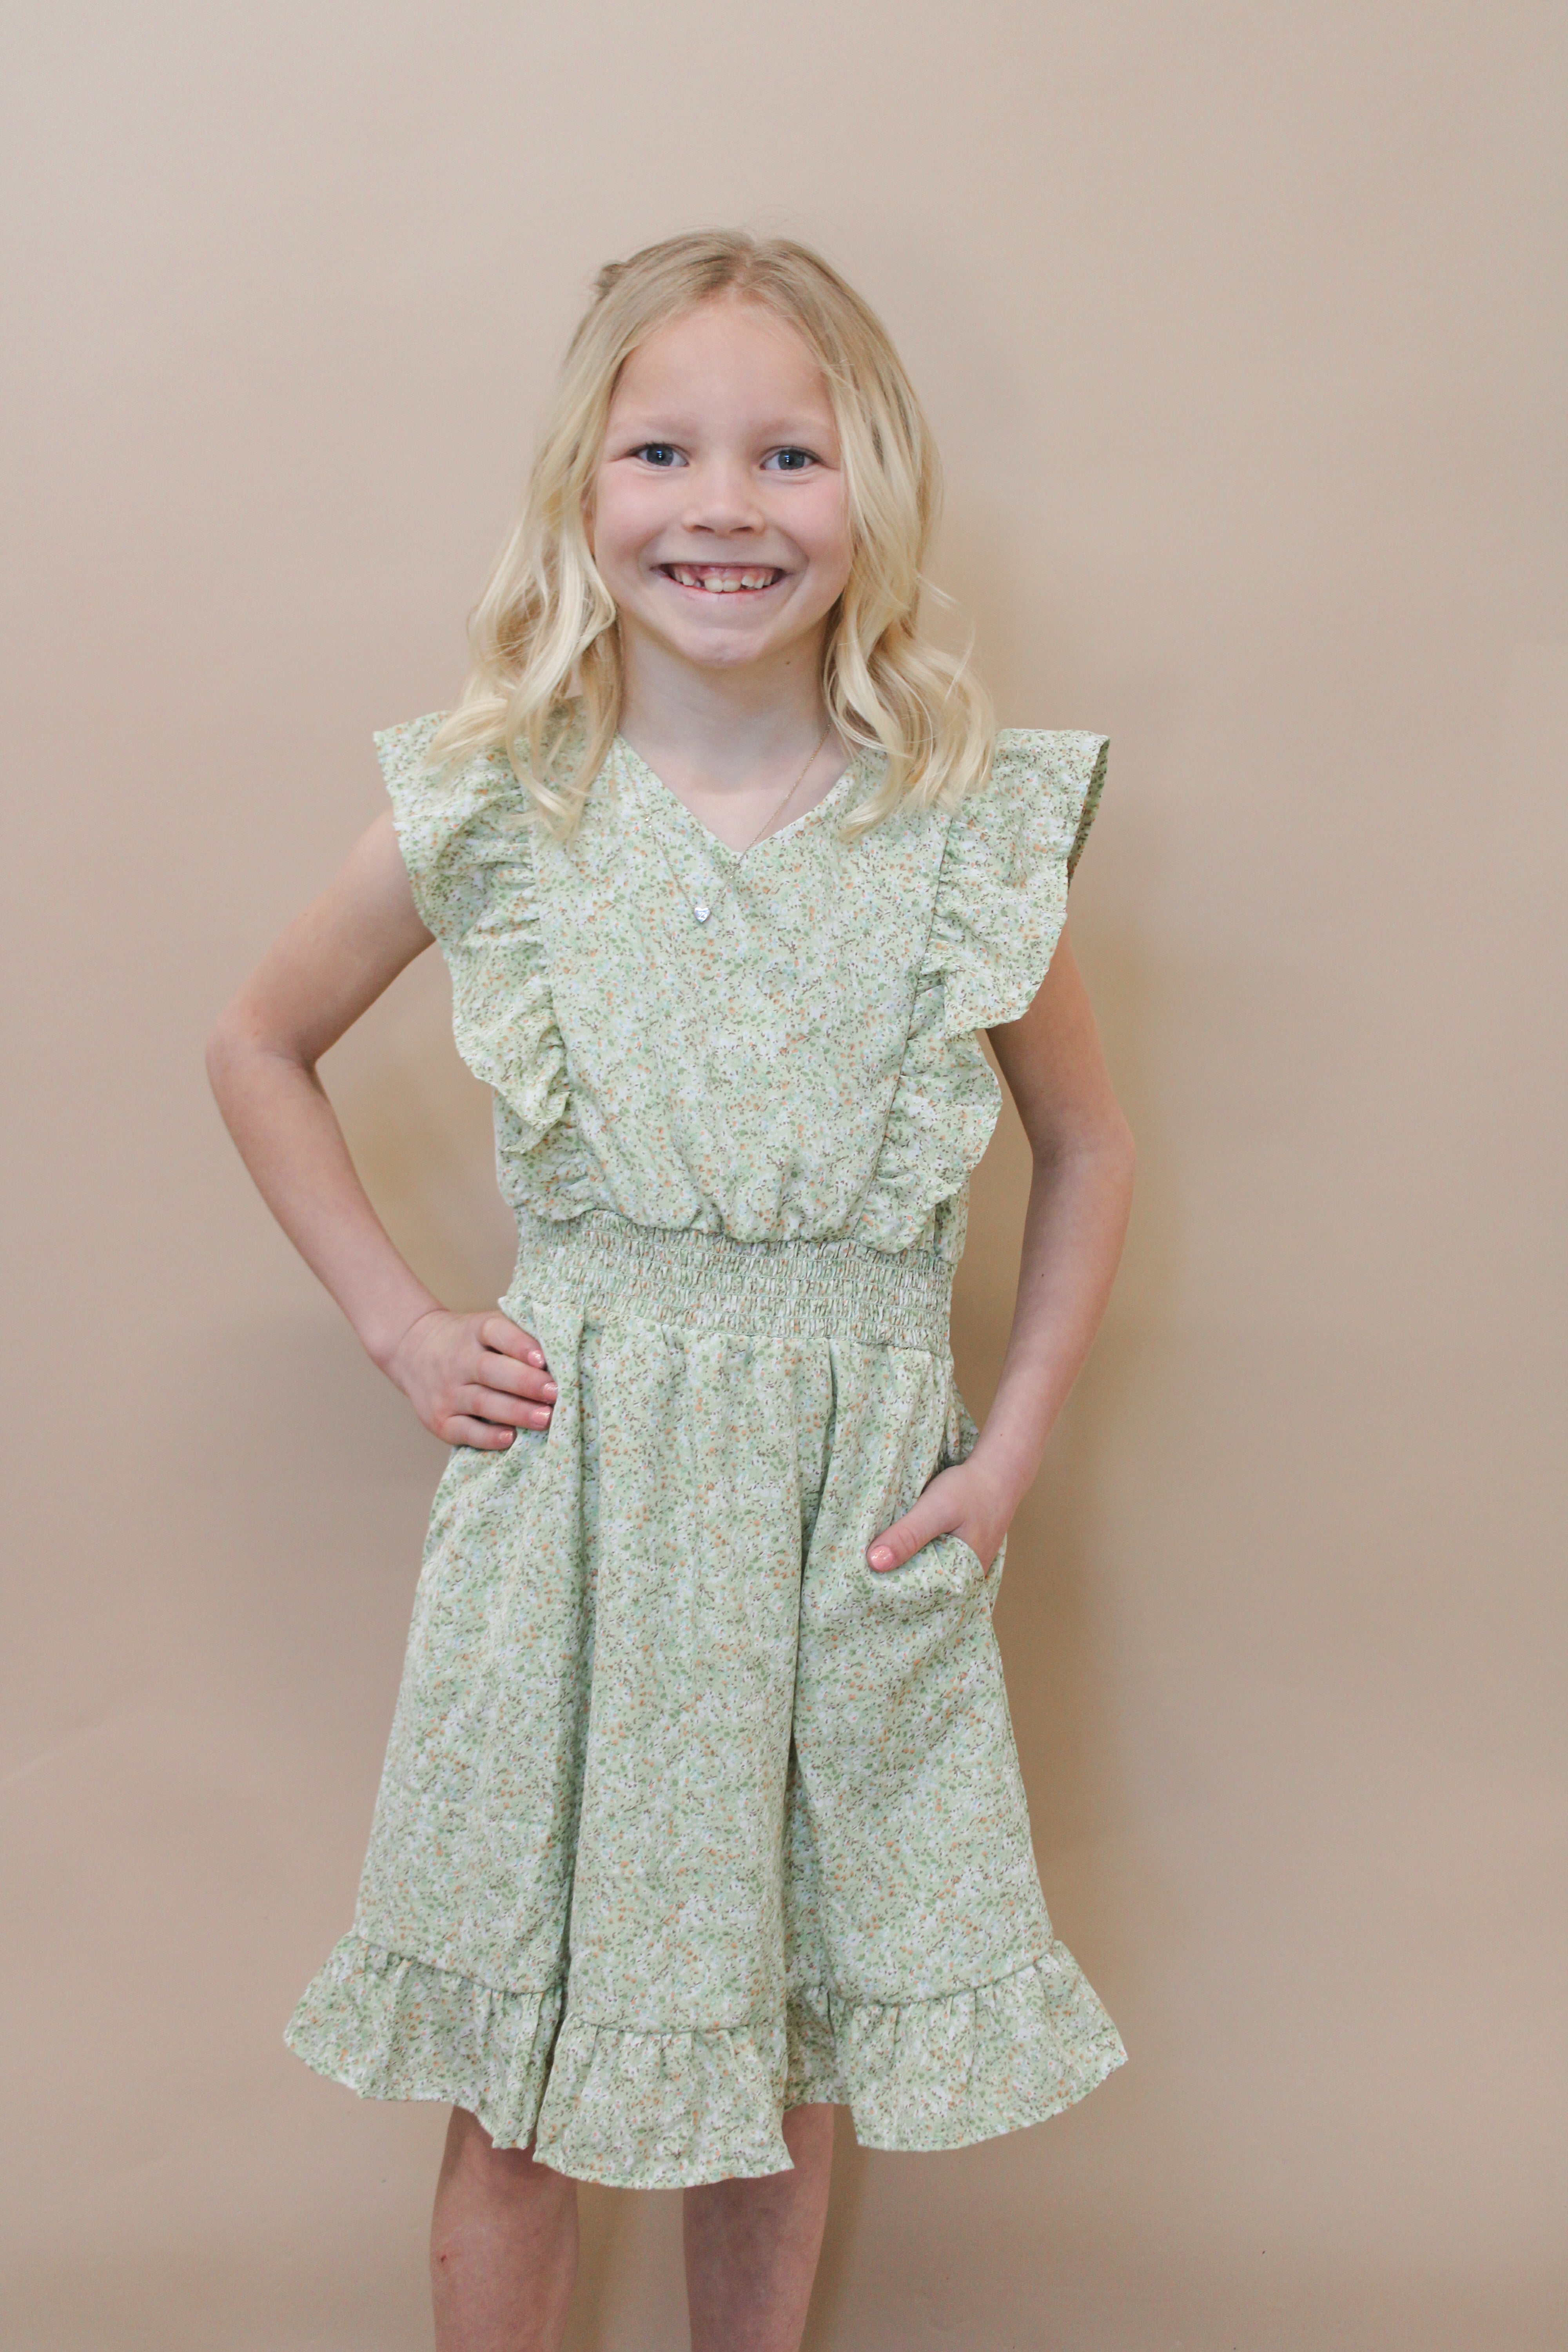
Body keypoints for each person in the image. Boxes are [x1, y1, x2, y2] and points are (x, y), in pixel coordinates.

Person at [208, 228, 1133, 2352]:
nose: (726, 505)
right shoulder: (497, 805)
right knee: (517, 2068)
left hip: (844, 1519)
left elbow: (1091, 1147)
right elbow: (255, 1041)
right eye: (664, 452)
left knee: (787, 2046)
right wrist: (404, 1324)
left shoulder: (965, 829)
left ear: (874, 489)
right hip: (579, 1516)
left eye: (790, 454)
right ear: (581, 490)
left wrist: (1008, 1454)